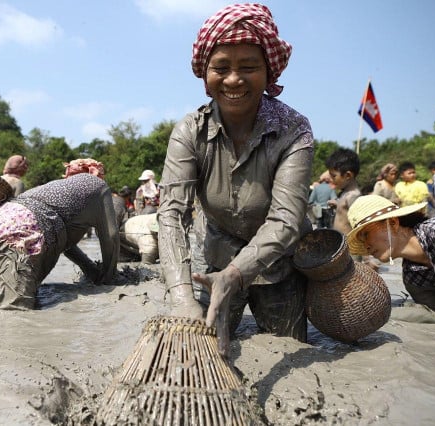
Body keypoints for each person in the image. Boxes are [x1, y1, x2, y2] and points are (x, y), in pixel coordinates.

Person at [157, 3, 314, 356]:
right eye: (221, 68)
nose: (233, 80)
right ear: (205, 73)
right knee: (197, 348)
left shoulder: (294, 130)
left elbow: (286, 219)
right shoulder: (189, 131)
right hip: (215, 257)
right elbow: (171, 216)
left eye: (248, 67)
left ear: (268, 72)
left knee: (289, 352)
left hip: (279, 265)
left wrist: (235, 274)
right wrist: (182, 296)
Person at [0, 173, 119, 310]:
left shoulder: (60, 190)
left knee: (7, 297)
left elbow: (66, 245)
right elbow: (111, 236)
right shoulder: (100, 188)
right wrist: (109, 277)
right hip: (22, 231)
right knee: (15, 312)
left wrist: (90, 270)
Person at [346, 194, 435, 328]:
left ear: (393, 223)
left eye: (366, 234)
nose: (366, 245)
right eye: (362, 241)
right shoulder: (414, 278)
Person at [325, 148, 361, 237]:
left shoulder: (353, 196)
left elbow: (359, 225)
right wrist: (338, 204)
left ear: (348, 175)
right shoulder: (346, 193)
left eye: (334, 176)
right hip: (340, 243)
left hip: (348, 247)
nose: (331, 179)